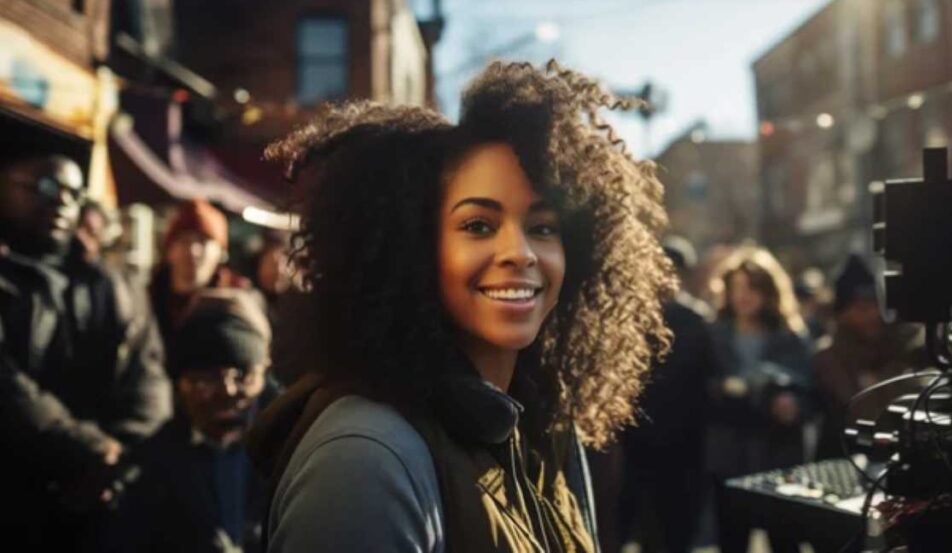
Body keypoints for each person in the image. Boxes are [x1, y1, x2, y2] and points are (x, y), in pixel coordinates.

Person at [246, 60, 676, 553]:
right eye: (478, 225)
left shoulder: (545, 431)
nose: (521, 252)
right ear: (414, 248)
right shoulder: (365, 461)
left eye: (542, 226)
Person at [0, 152, 171, 551]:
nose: (61, 200)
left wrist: (116, 460)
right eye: (44, 186)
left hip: (99, 504)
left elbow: (150, 383)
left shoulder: (114, 284)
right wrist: (87, 449)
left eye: (73, 193)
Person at [108, 289, 273, 553]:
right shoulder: (150, 467)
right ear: (180, 383)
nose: (227, 391)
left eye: (243, 375)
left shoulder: (291, 451)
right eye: (207, 378)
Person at [705, 245, 812, 553]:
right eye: (737, 287)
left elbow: (808, 392)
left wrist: (792, 404)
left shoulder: (790, 336)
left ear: (768, 292)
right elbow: (701, 386)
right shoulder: (714, 335)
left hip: (777, 457)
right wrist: (723, 389)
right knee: (733, 540)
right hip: (730, 454)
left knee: (784, 540)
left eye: (752, 287)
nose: (744, 295)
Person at [617, 234, 719, 553]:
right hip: (641, 441)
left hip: (683, 443)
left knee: (675, 528)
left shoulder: (698, 321)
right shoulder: (635, 319)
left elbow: (710, 379)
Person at [814, 255, 925, 459]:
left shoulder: (903, 345)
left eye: (875, 305)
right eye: (861, 308)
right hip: (847, 459)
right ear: (843, 312)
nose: (872, 315)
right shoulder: (830, 356)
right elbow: (864, 411)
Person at [149, 198, 253, 347]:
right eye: (184, 240)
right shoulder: (145, 302)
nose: (192, 251)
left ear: (221, 253)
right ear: (169, 250)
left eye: (203, 241)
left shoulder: (238, 307)